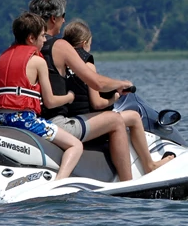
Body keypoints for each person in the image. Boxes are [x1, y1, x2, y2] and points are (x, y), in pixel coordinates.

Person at [27, 0, 158, 180]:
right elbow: (96, 82)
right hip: (55, 122)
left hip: (32, 120)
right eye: (63, 17)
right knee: (114, 120)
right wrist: (121, 84)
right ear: (54, 19)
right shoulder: (60, 46)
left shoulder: (26, 46)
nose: (64, 22)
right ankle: (127, 184)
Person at [63, 19, 175, 170]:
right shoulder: (86, 64)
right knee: (134, 117)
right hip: (85, 122)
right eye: (90, 43)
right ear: (84, 43)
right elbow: (97, 103)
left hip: (67, 120)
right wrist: (113, 98)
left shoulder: (61, 61)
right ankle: (150, 165)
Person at [0, 12, 83, 180]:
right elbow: (50, 102)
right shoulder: (38, 61)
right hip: (23, 120)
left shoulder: (3, 57)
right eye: (42, 36)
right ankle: (59, 183)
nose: (44, 40)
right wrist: (69, 97)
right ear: (31, 38)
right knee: (75, 145)